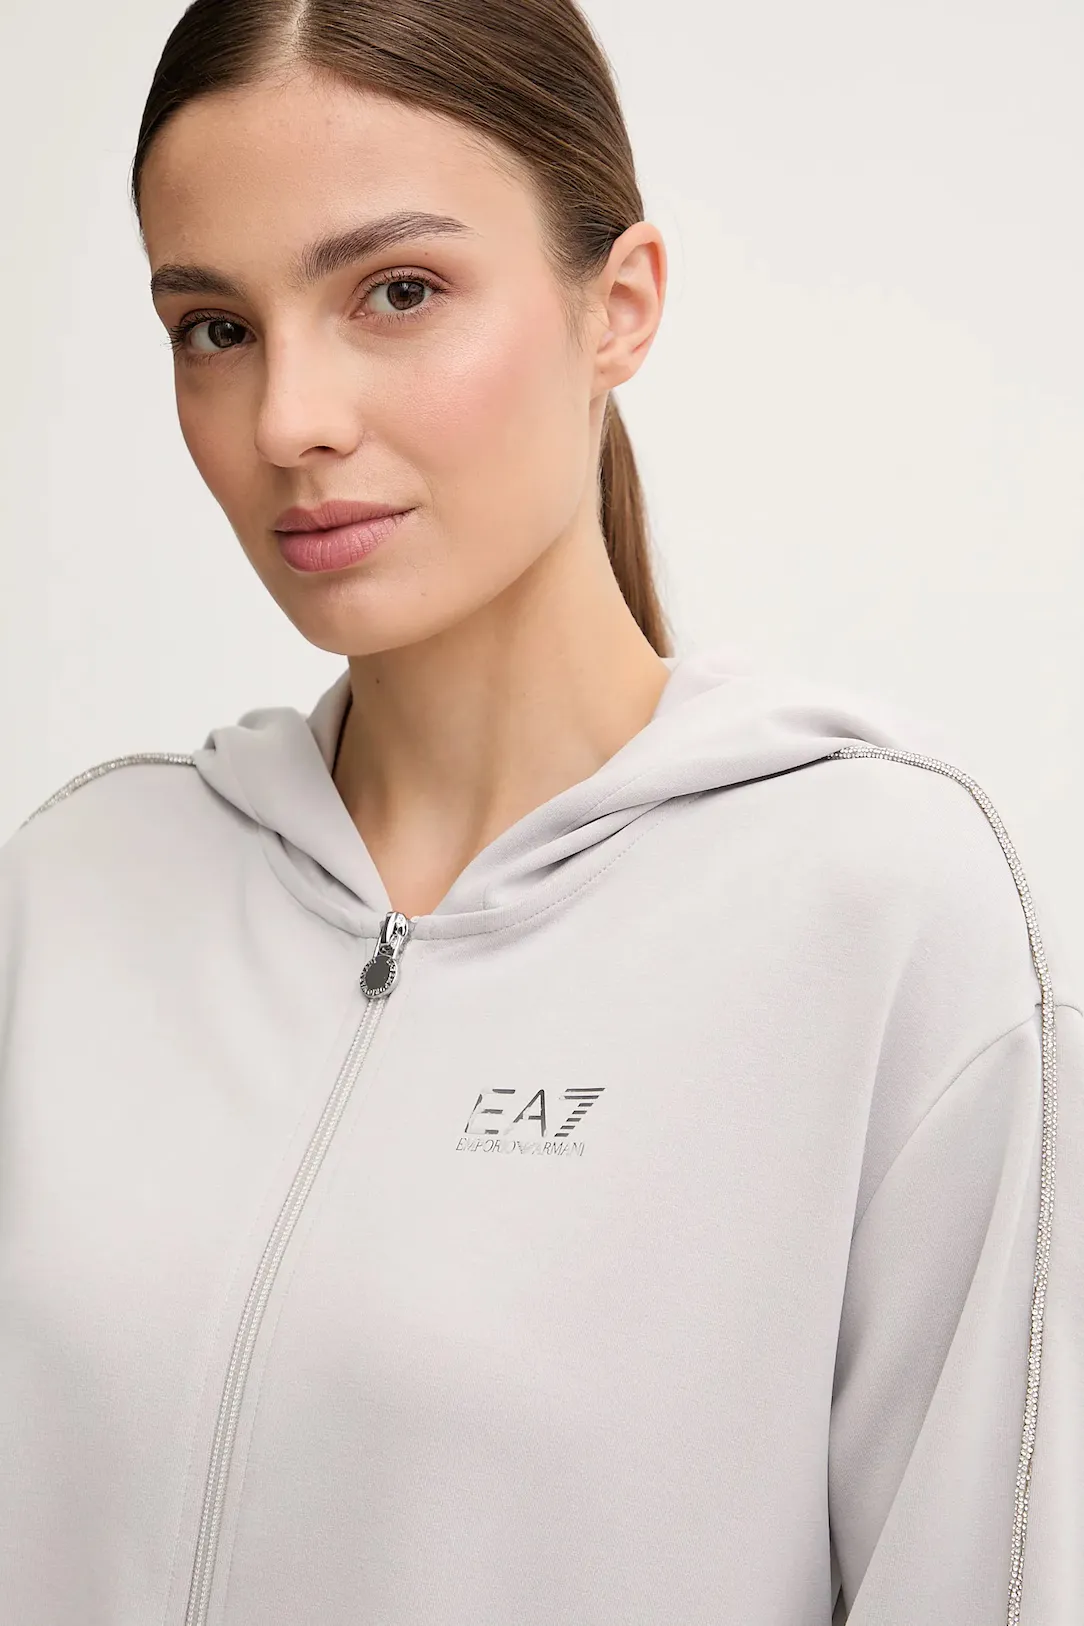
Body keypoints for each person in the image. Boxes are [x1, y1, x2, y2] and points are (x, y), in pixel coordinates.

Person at [0, 1, 1080, 1622]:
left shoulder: (873, 913)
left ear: (618, 305)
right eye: (214, 326)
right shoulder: (73, 896)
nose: (289, 416)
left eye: (398, 291)